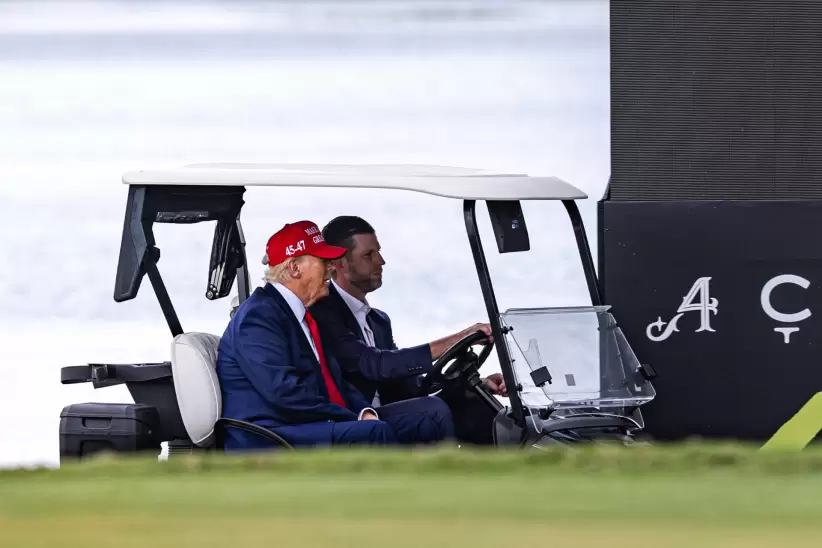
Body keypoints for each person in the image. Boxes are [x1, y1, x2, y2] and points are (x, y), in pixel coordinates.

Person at [216, 220, 455, 451]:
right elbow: (285, 392)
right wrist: (351, 418)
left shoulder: (302, 313)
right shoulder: (259, 316)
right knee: (374, 433)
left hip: (305, 423)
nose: (331, 267)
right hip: (272, 434)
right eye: (322, 260)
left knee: (431, 413)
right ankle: (395, 492)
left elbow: (334, 381)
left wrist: (364, 411)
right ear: (294, 268)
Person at [308, 215, 507, 445]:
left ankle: (510, 473)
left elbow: (408, 385)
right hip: (355, 419)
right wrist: (459, 338)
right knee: (432, 410)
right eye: (368, 255)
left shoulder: (378, 321)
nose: (380, 261)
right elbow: (373, 364)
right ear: (340, 264)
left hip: (392, 413)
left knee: (473, 402)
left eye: (378, 252)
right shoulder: (324, 312)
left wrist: (475, 385)